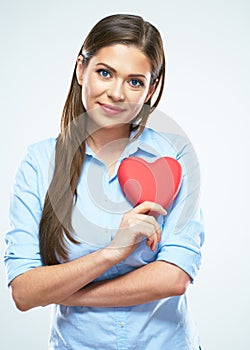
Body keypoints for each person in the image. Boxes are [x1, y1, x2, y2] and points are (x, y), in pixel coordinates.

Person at [4, 14, 204, 350]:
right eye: (105, 72)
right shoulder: (40, 163)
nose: (116, 93)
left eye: (135, 81)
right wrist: (112, 252)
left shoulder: (173, 158)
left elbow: (174, 277)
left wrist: (69, 293)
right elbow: (24, 292)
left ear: (151, 89)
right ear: (81, 69)